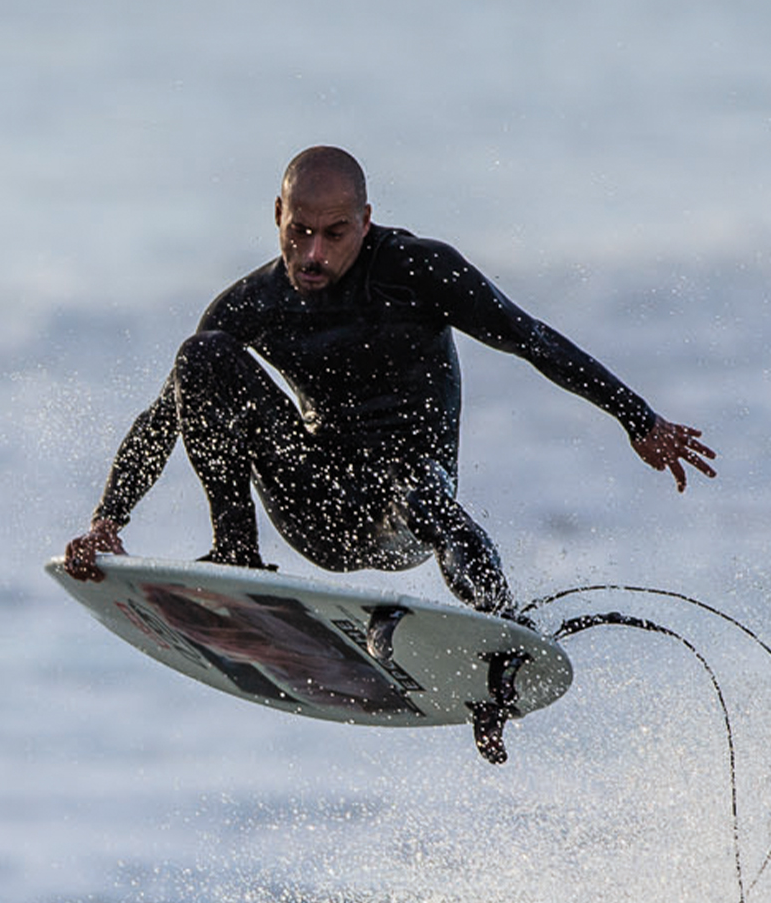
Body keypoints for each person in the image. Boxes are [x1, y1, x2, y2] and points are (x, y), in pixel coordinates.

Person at [62, 147, 715, 615]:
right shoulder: (254, 303)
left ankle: (500, 625)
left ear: (365, 221)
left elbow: (531, 339)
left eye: (335, 234)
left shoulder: (419, 273)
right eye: (300, 232)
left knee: (415, 478)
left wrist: (638, 418)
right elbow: (166, 415)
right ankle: (236, 554)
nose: (314, 253)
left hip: (405, 510)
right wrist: (106, 520)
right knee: (201, 357)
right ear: (278, 216)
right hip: (315, 505)